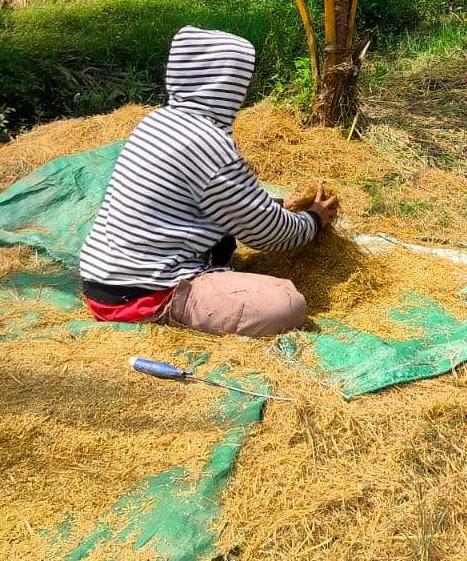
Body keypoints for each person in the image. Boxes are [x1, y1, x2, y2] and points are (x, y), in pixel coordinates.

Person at [77, 26, 340, 337]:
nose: (245, 91)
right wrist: (312, 220)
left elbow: (218, 200)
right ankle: (173, 308)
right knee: (286, 304)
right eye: (241, 81)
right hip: (144, 292)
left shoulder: (159, 121)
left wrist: (281, 204)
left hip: (104, 280)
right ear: (223, 84)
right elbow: (267, 233)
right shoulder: (206, 142)